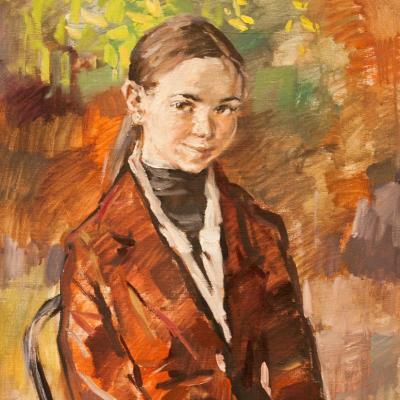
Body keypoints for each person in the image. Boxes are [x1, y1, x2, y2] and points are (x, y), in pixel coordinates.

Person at [58, 15, 325, 400]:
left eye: (225, 108)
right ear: (136, 101)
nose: (206, 128)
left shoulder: (259, 230)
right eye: (184, 104)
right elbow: (97, 391)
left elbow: (296, 373)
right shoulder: (95, 249)